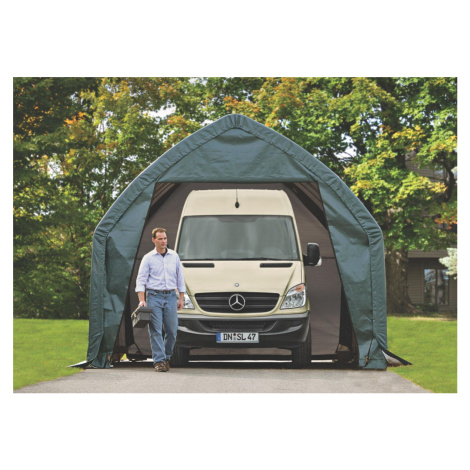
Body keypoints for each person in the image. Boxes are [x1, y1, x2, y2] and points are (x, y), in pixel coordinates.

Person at [135, 228, 185, 372]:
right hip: (154, 297)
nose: (163, 241)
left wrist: (181, 298)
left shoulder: (174, 256)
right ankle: (159, 361)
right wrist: (142, 300)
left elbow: (180, 278)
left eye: (165, 238)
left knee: (172, 330)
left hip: (171, 296)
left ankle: (166, 357)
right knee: (155, 330)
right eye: (160, 239)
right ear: (154, 240)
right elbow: (141, 280)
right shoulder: (148, 258)